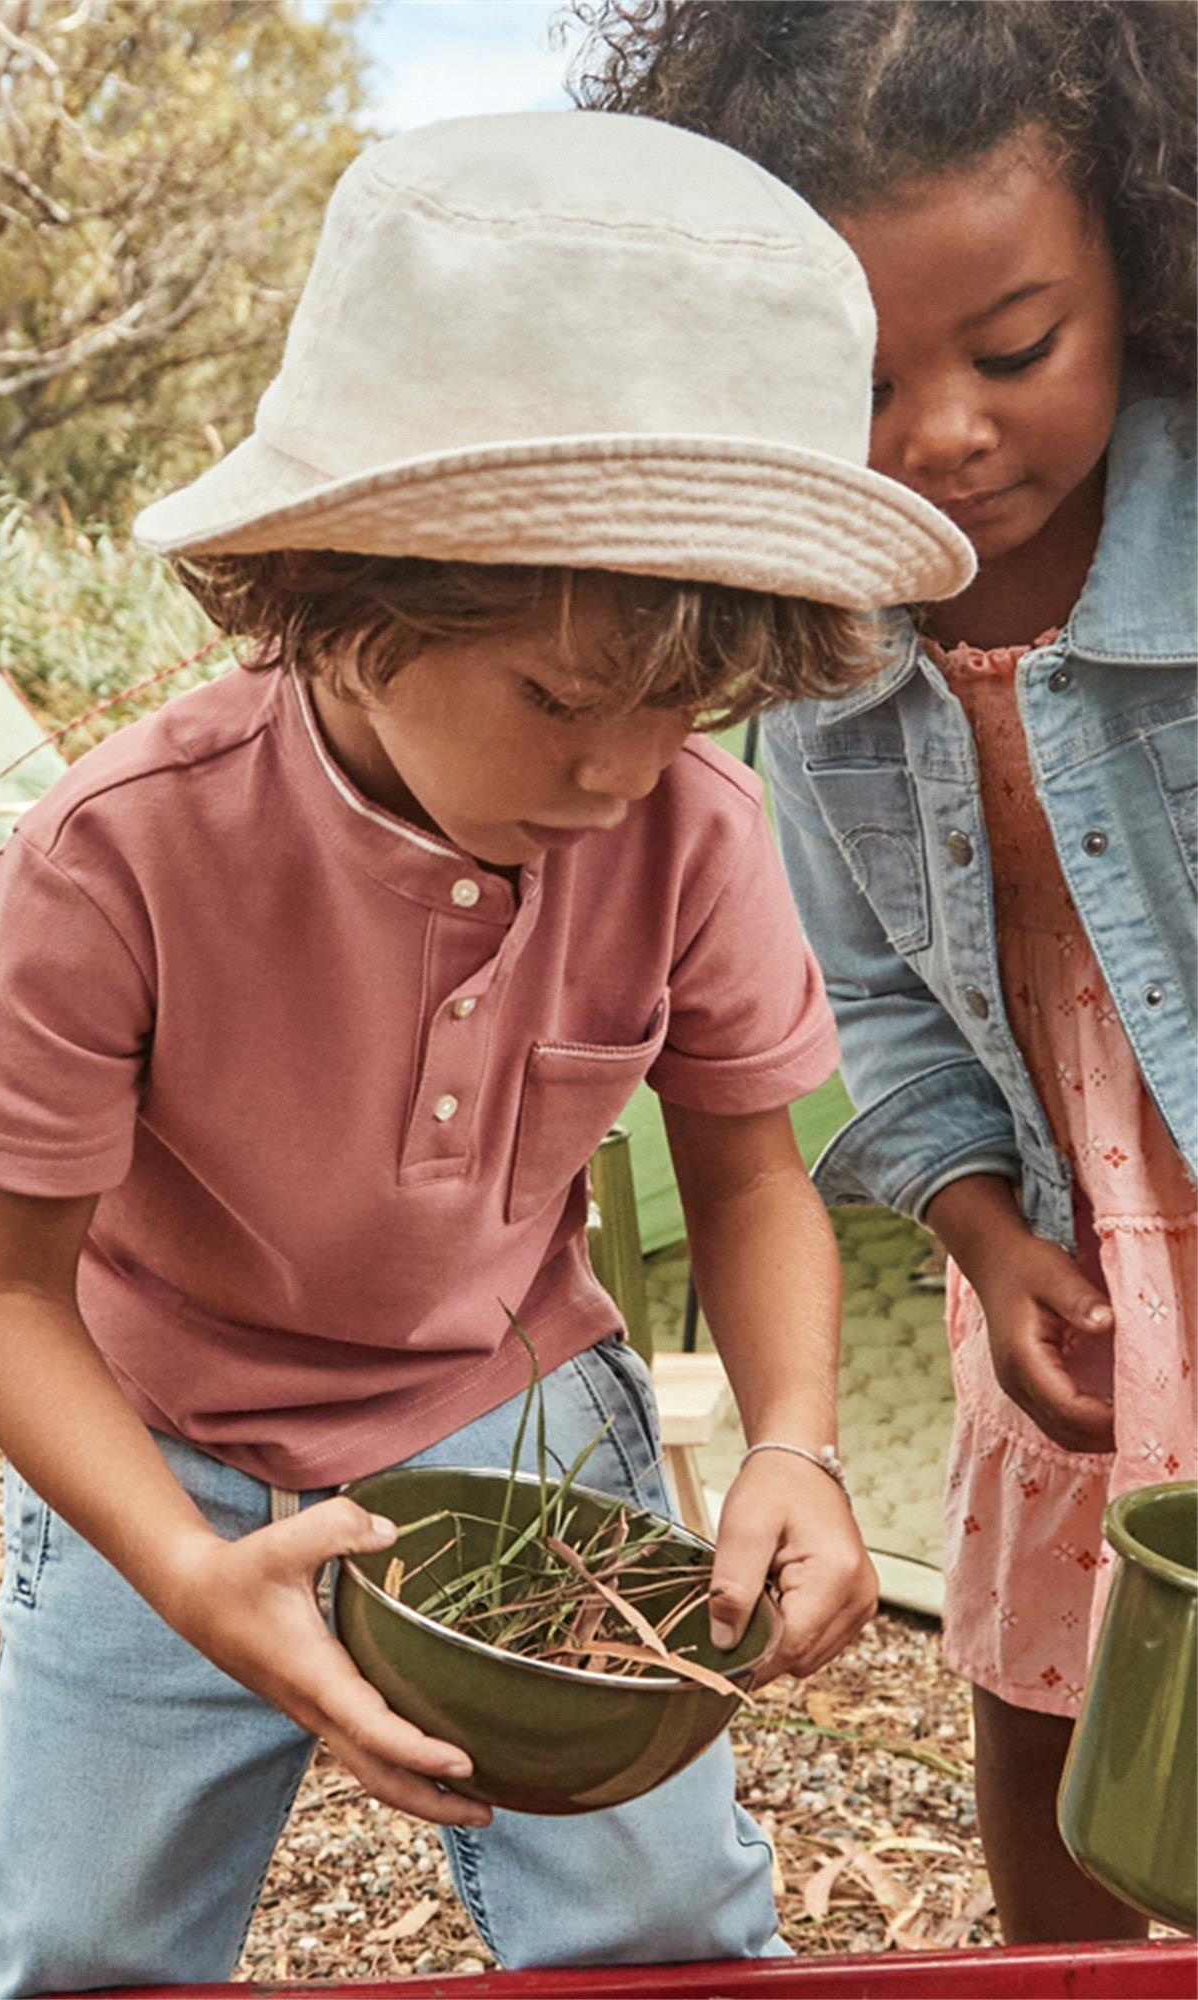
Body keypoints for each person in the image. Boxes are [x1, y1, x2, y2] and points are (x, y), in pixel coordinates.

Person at [0, 109, 973, 1993]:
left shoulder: (690, 833)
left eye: (683, 711)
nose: (610, 772)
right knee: (80, 1951)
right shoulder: (115, 862)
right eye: (558, 698)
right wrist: (180, 1573)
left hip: (511, 1416)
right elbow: (1, 1295)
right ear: (344, 596)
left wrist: (799, 1445)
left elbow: (749, 1173)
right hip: (167, 1442)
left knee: (658, 1926)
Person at [573, 0, 1197, 1945]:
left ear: (1143, 256)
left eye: (1014, 349)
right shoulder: (828, 657)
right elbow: (886, 1003)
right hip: (1077, 1239)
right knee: (1055, 1690)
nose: (940, 434)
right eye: (852, 378)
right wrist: (981, 1226)